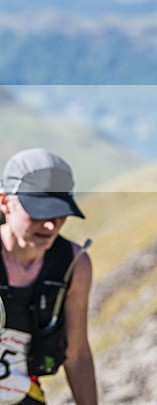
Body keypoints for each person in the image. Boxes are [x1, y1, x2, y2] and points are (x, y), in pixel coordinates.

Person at [0, 149, 97, 405]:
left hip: (22, 395)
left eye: (60, 213)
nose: (50, 225)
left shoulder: (74, 265)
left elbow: (77, 354)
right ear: (4, 201)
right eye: (39, 212)